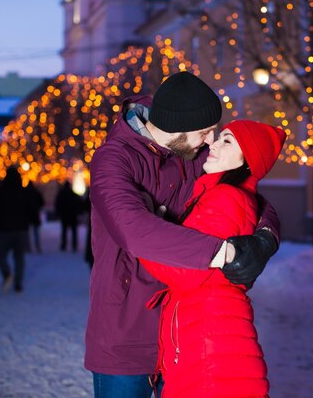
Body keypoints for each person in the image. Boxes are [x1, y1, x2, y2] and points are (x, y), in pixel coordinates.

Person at [86, 71, 280, 398]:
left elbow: (248, 189)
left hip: (180, 335)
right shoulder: (113, 159)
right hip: (126, 329)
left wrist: (266, 238)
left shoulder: (191, 152)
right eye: (205, 132)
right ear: (178, 126)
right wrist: (226, 253)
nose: (210, 140)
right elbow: (131, 227)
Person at [140, 120, 286, 398]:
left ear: (248, 161)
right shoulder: (217, 194)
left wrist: (145, 233)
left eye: (227, 141)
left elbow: (186, 270)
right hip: (209, 339)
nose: (214, 144)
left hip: (210, 347)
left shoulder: (225, 198)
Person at [0, 167, 33, 293]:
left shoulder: (1, 192)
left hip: (5, 229)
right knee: (19, 257)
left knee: (0, 256)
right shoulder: (23, 192)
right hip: (21, 229)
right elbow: (30, 209)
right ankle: (18, 283)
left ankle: (7, 273)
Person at [54, 181, 82, 252]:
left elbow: (58, 204)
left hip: (65, 216)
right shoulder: (73, 195)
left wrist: (58, 213)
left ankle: (64, 245)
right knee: (73, 231)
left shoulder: (61, 195)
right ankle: (74, 246)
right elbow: (78, 204)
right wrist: (78, 212)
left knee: (64, 231)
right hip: (72, 216)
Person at [25, 182, 45, 253]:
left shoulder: (25, 194)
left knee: (27, 232)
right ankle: (37, 246)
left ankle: (28, 247)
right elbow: (42, 203)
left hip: (27, 215)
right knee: (35, 232)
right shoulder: (36, 193)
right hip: (34, 215)